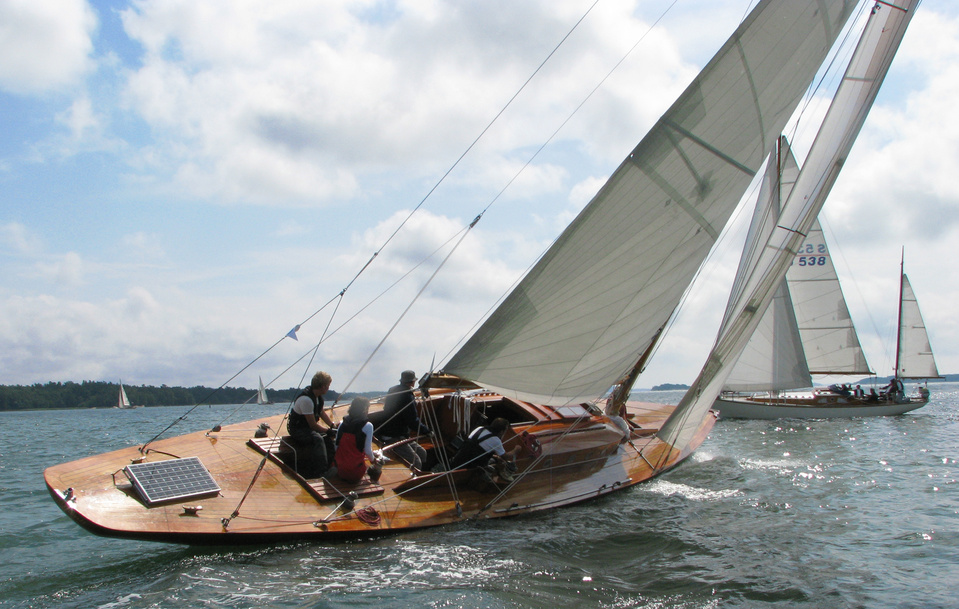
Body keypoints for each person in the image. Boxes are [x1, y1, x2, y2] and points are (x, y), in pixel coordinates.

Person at [374, 370, 429, 470]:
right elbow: (412, 421)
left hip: (398, 434)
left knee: (422, 453)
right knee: (416, 462)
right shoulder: (407, 396)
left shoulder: (393, 390)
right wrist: (427, 431)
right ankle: (415, 476)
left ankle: (424, 473)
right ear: (412, 382)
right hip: (394, 436)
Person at [287, 371, 336, 478]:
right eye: (328, 385)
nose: (328, 388)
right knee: (318, 439)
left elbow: (321, 412)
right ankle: (321, 471)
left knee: (327, 439)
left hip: (308, 428)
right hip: (298, 429)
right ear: (323, 386)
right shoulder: (307, 400)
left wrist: (332, 426)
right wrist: (328, 431)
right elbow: (313, 425)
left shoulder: (317, 397)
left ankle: (331, 466)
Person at [450, 417, 520, 477]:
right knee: (496, 464)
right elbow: (505, 457)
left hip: (458, 459)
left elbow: (476, 447)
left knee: (493, 458)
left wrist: (495, 456)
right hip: (471, 467)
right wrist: (515, 450)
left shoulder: (480, 428)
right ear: (502, 431)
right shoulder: (496, 440)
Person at [334, 397, 382, 483]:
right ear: (364, 410)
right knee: (374, 468)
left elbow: (336, 446)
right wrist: (373, 460)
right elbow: (367, 451)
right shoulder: (368, 426)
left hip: (340, 470)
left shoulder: (342, 423)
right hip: (355, 473)